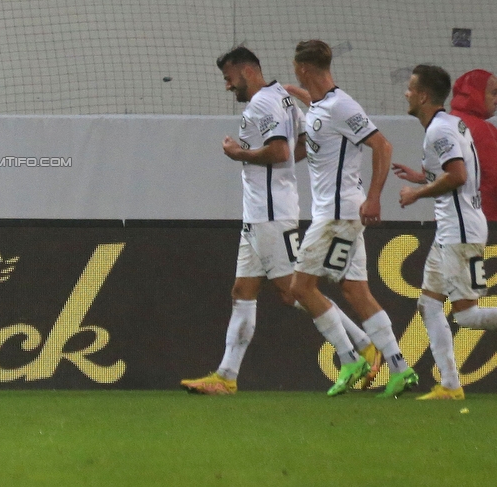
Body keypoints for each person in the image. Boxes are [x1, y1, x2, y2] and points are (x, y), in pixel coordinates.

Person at [181, 47, 380, 395]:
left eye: (229, 79)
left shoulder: (262, 104)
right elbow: (301, 145)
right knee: (243, 291)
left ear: (246, 71)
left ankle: (357, 352)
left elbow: (280, 151)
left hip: (271, 215)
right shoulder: (283, 99)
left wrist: (238, 153)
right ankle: (226, 376)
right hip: (261, 213)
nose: (229, 87)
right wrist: (281, 166)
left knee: (297, 291)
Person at [288, 39, 417, 397]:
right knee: (355, 290)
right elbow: (319, 106)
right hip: (339, 212)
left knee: (300, 288)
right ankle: (400, 369)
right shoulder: (325, 104)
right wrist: (292, 92)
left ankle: (349, 358)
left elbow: (383, 145)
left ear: (302, 67)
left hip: (337, 214)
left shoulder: (342, 105)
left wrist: (375, 196)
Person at [392, 65, 496, 400]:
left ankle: (450, 385)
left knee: (466, 315)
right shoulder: (451, 124)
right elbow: (450, 172)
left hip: (461, 231)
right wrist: (420, 177)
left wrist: (415, 194)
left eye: (410, 88)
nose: (406, 93)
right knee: (429, 303)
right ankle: (450, 386)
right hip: (453, 229)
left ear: (423, 95)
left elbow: (458, 176)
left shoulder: (439, 131)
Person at [450, 69, 497, 222]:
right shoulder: (484, 130)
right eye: (494, 93)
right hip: (484, 219)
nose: (496, 100)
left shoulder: (443, 123)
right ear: (476, 93)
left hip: (448, 220)